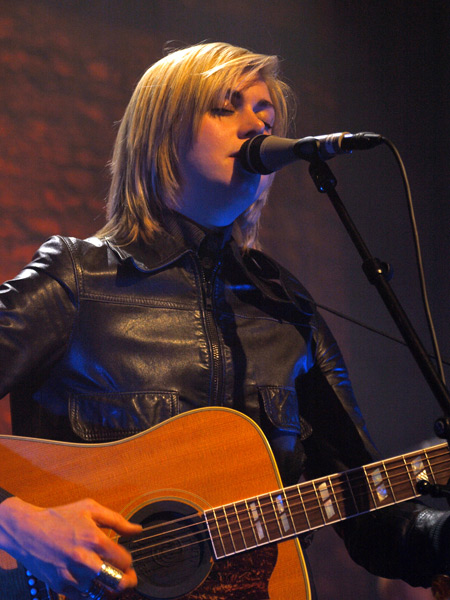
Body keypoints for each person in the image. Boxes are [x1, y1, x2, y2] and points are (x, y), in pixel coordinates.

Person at [0, 41, 449, 600]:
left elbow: (366, 511)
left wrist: (439, 535)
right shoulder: (78, 278)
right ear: (161, 135)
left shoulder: (287, 309)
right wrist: (16, 524)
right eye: (224, 106)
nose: (257, 124)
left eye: (266, 113)